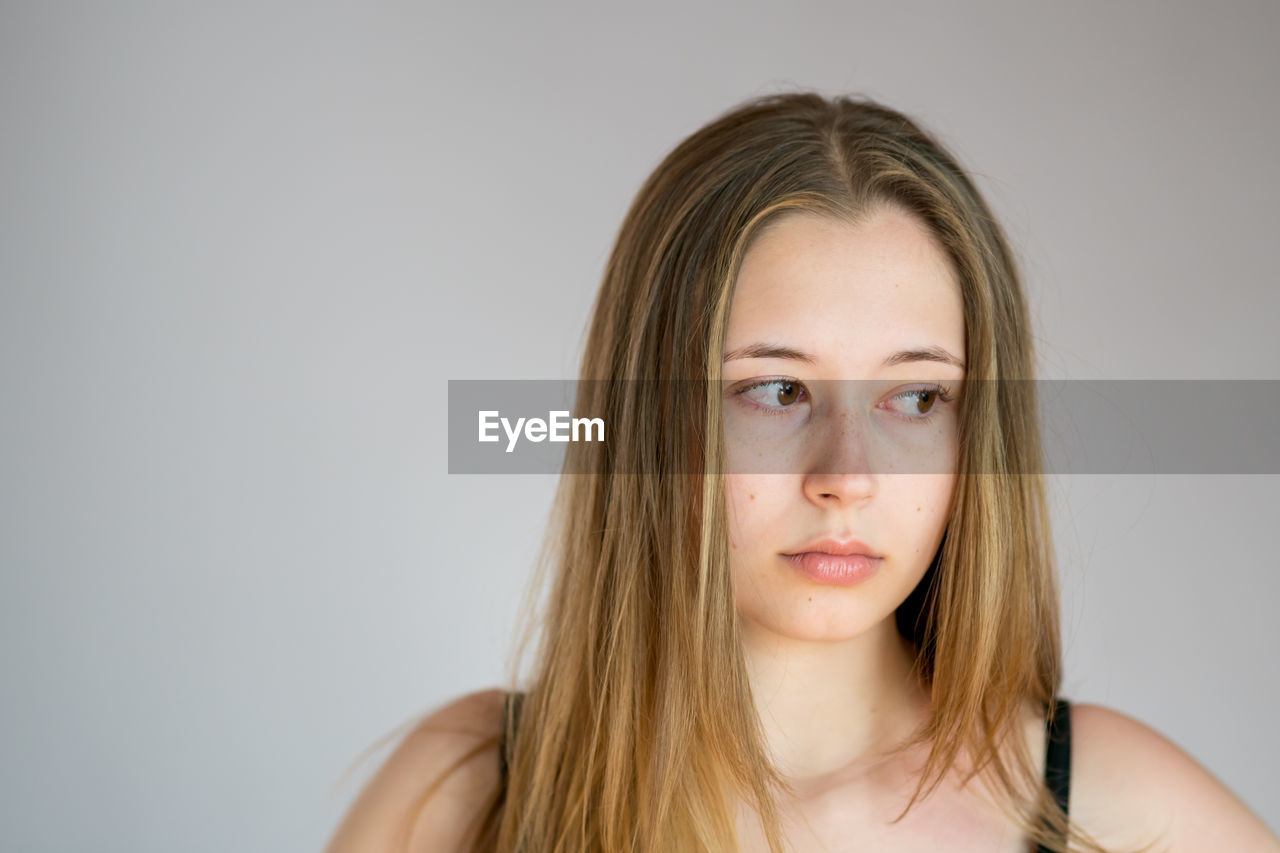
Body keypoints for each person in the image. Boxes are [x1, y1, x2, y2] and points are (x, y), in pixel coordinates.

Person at [323, 92, 1279, 852]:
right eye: (775, 390)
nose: (847, 477)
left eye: (915, 399)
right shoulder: (465, 792)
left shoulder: (1117, 811)